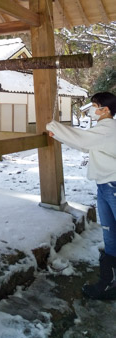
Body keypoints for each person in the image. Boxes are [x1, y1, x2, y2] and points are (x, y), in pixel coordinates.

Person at [46, 92, 116, 300]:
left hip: (113, 186)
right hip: (105, 186)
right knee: (110, 234)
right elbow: (84, 144)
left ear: (106, 110)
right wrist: (57, 134)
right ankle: (108, 281)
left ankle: (108, 281)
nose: (92, 109)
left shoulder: (108, 129)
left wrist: (53, 126)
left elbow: (83, 138)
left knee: (112, 233)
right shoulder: (102, 131)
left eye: (95, 105)